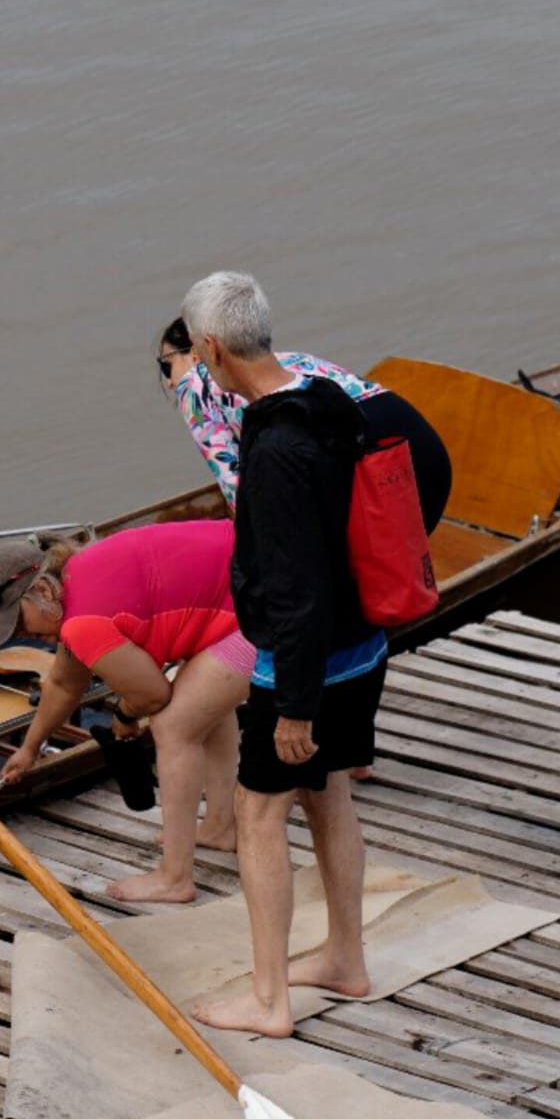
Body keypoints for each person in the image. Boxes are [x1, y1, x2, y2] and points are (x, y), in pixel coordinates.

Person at [177, 271, 390, 1038]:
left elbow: (294, 588)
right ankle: (345, 958)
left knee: (258, 809)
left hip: (309, 661)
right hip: (363, 640)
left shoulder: (275, 451)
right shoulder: (336, 403)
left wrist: (294, 704)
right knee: (329, 790)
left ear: (209, 349)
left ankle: (270, 1001)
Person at [0, 520, 253, 903]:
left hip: (269, 606)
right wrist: (30, 748)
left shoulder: (82, 623)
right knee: (202, 701)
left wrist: (124, 716)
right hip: (262, 578)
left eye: (18, 621)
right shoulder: (76, 580)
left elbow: (152, 696)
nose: (20, 634)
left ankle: (175, 877)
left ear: (42, 590)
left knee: (174, 724)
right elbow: (63, 683)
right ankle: (221, 826)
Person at [157, 316, 451, 531]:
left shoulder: (193, 387)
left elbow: (239, 490)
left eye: (166, 365)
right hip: (423, 450)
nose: (169, 382)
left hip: (372, 459)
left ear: (197, 352)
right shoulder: (282, 360)